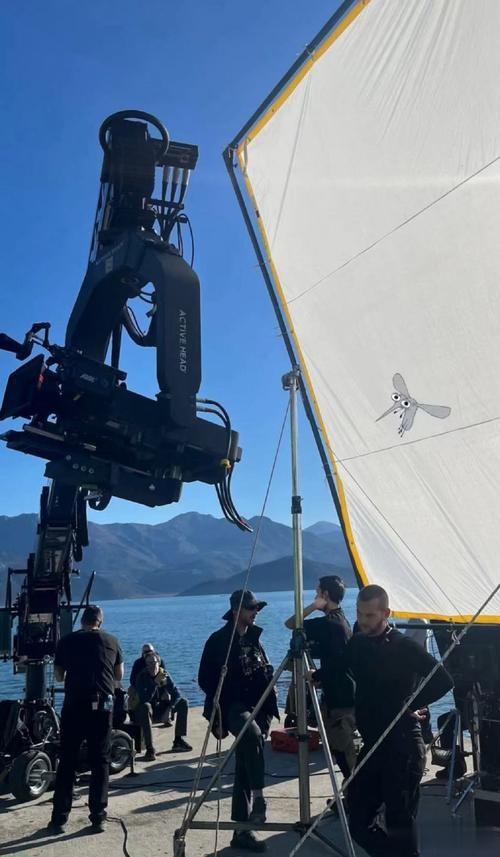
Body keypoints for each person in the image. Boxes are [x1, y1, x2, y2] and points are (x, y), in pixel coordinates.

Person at [346, 584, 454, 857]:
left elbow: (443, 680)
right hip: (373, 744)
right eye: (359, 613)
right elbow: (343, 667)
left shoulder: (403, 646)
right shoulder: (358, 643)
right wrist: (319, 676)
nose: (362, 621)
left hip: (402, 744)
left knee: (399, 823)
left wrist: (410, 704)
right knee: (357, 820)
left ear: (386, 614)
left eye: (369, 615)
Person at [199, 590, 279, 854]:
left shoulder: (254, 638)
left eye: (257, 608)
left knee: (246, 763)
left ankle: (241, 832)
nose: (256, 612)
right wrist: (221, 705)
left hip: (260, 706)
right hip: (233, 706)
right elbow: (204, 678)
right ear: (236, 611)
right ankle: (259, 799)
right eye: (251, 608)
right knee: (251, 735)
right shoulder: (218, 640)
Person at [48, 604, 123, 835]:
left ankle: (59, 819)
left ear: (82, 620)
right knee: (100, 761)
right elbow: (119, 675)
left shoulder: (67, 641)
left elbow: (58, 676)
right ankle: (98, 817)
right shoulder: (112, 641)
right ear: (100, 621)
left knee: (67, 760)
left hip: (74, 705)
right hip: (102, 707)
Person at [284, 575, 356, 778]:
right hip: (345, 692)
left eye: (317, 593)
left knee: (342, 750)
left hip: (339, 698)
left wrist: (313, 606)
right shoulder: (341, 619)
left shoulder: (329, 623)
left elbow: (291, 623)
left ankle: (353, 791)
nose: (315, 597)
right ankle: (352, 789)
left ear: (325, 595)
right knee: (343, 749)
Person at [132, 652, 191, 759]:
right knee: (146, 706)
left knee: (183, 702)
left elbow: (176, 694)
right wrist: (155, 683)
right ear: (146, 665)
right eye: (149, 663)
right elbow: (144, 699)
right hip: (144, 713)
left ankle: (178, 740)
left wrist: (170, 709)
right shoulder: (141, 676)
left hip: (160, 709)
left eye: (154, 662)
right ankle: (150, 749)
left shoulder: (164, 674)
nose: (152, 666)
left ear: (158, 663)